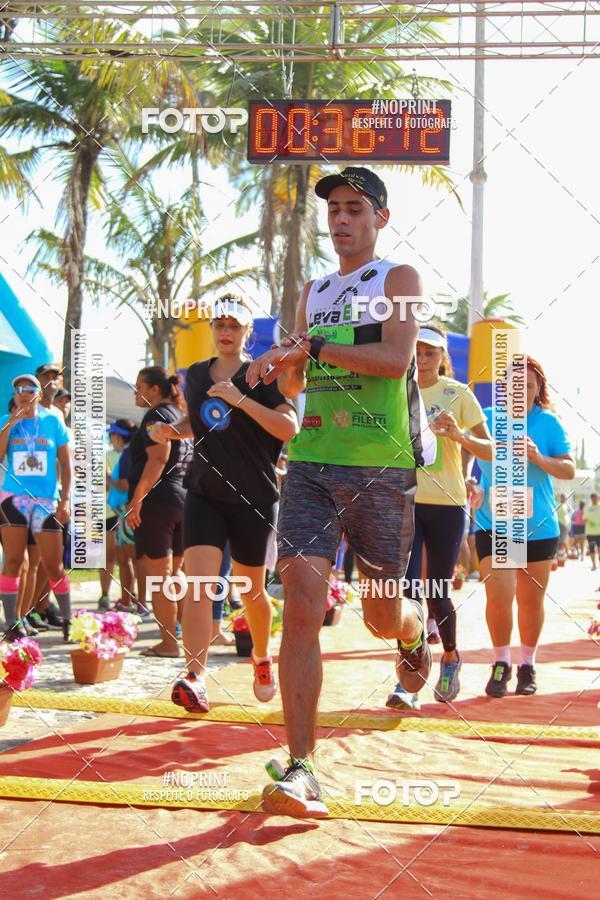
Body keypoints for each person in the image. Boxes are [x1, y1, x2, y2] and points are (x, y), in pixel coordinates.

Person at [246, 166, 436, 817]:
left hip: (381, 467)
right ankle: (302, 769)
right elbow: (300, 388)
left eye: (355, 208)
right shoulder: (313, 290)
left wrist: (314, 346)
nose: (341, 219)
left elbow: (396, 359)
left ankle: (412, 631)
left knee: (381, 614)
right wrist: (282, 364)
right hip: (312, 463)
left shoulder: (399, 279)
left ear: (379, 218)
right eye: (333, 211)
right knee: (301, 606)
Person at [150, 293, 297, 710]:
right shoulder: (195, 375)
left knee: (250, 590)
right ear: (212, 329)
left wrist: (240, 399)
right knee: (199, 585)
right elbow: (198, 422)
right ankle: (195, 675)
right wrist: (172, 432)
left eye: (235, 326)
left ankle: (261, 657)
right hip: (204, 493)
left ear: (248, 332)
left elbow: (289, 427)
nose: (226, 332)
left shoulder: (262, 375)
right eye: (220, 325)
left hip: (254, 497)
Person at [388, 324, 492, 709]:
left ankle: (449, 656)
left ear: (442, 357)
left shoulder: (458, 394)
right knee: (409, 592)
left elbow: (491, 449)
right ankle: (408, 681)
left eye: (431, 352)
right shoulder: (397, 390)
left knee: (437, 592)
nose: (423, 357)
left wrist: (461, 437)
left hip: (448, 504)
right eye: (417, 350)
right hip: (406, 501)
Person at [475, 356, 575, 697]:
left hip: (538, 525)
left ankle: (527, 663)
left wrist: (539, 458)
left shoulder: (548, 424)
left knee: (530, 602)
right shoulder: (486, 419)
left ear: (537, 390)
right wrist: (471, 486)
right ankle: (501, 661)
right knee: (499, 597)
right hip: (495, 523)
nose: (520, 392)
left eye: (528, 386)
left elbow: (568, 470)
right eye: (513, 385)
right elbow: (466, 454)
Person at [0, 374, 72, 641]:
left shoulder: (53, 421)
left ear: (38, 394)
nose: (23, 393)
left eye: (28, 388)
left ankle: (68, 620)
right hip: (13, 499)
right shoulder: (7, 422)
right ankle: (11, 624)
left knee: (53, 565)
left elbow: (66, 465)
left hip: (45, 501)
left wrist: (64, 500)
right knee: (15, 561)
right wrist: (10, 423)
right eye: (18, 389)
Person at [126, 366, 189, 657]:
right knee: (176, 574)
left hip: (159, 502)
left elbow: (158, 458)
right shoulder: (179, 414)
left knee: (160, 576)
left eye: (139, 385)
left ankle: (168, 643)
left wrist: (138, 498)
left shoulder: (157, 416)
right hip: (183, 500)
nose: (136, 391)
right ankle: (186, 639)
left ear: (154, 389)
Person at [584, 493, 600, 572]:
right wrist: (592, 523)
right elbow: (585, 519)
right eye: (593, 498)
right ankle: (594, 564)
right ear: (591, 499)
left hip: (599, 532)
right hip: (590, 532)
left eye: (596, 498)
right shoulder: (588, 508)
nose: (594, 499)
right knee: (592, 549)